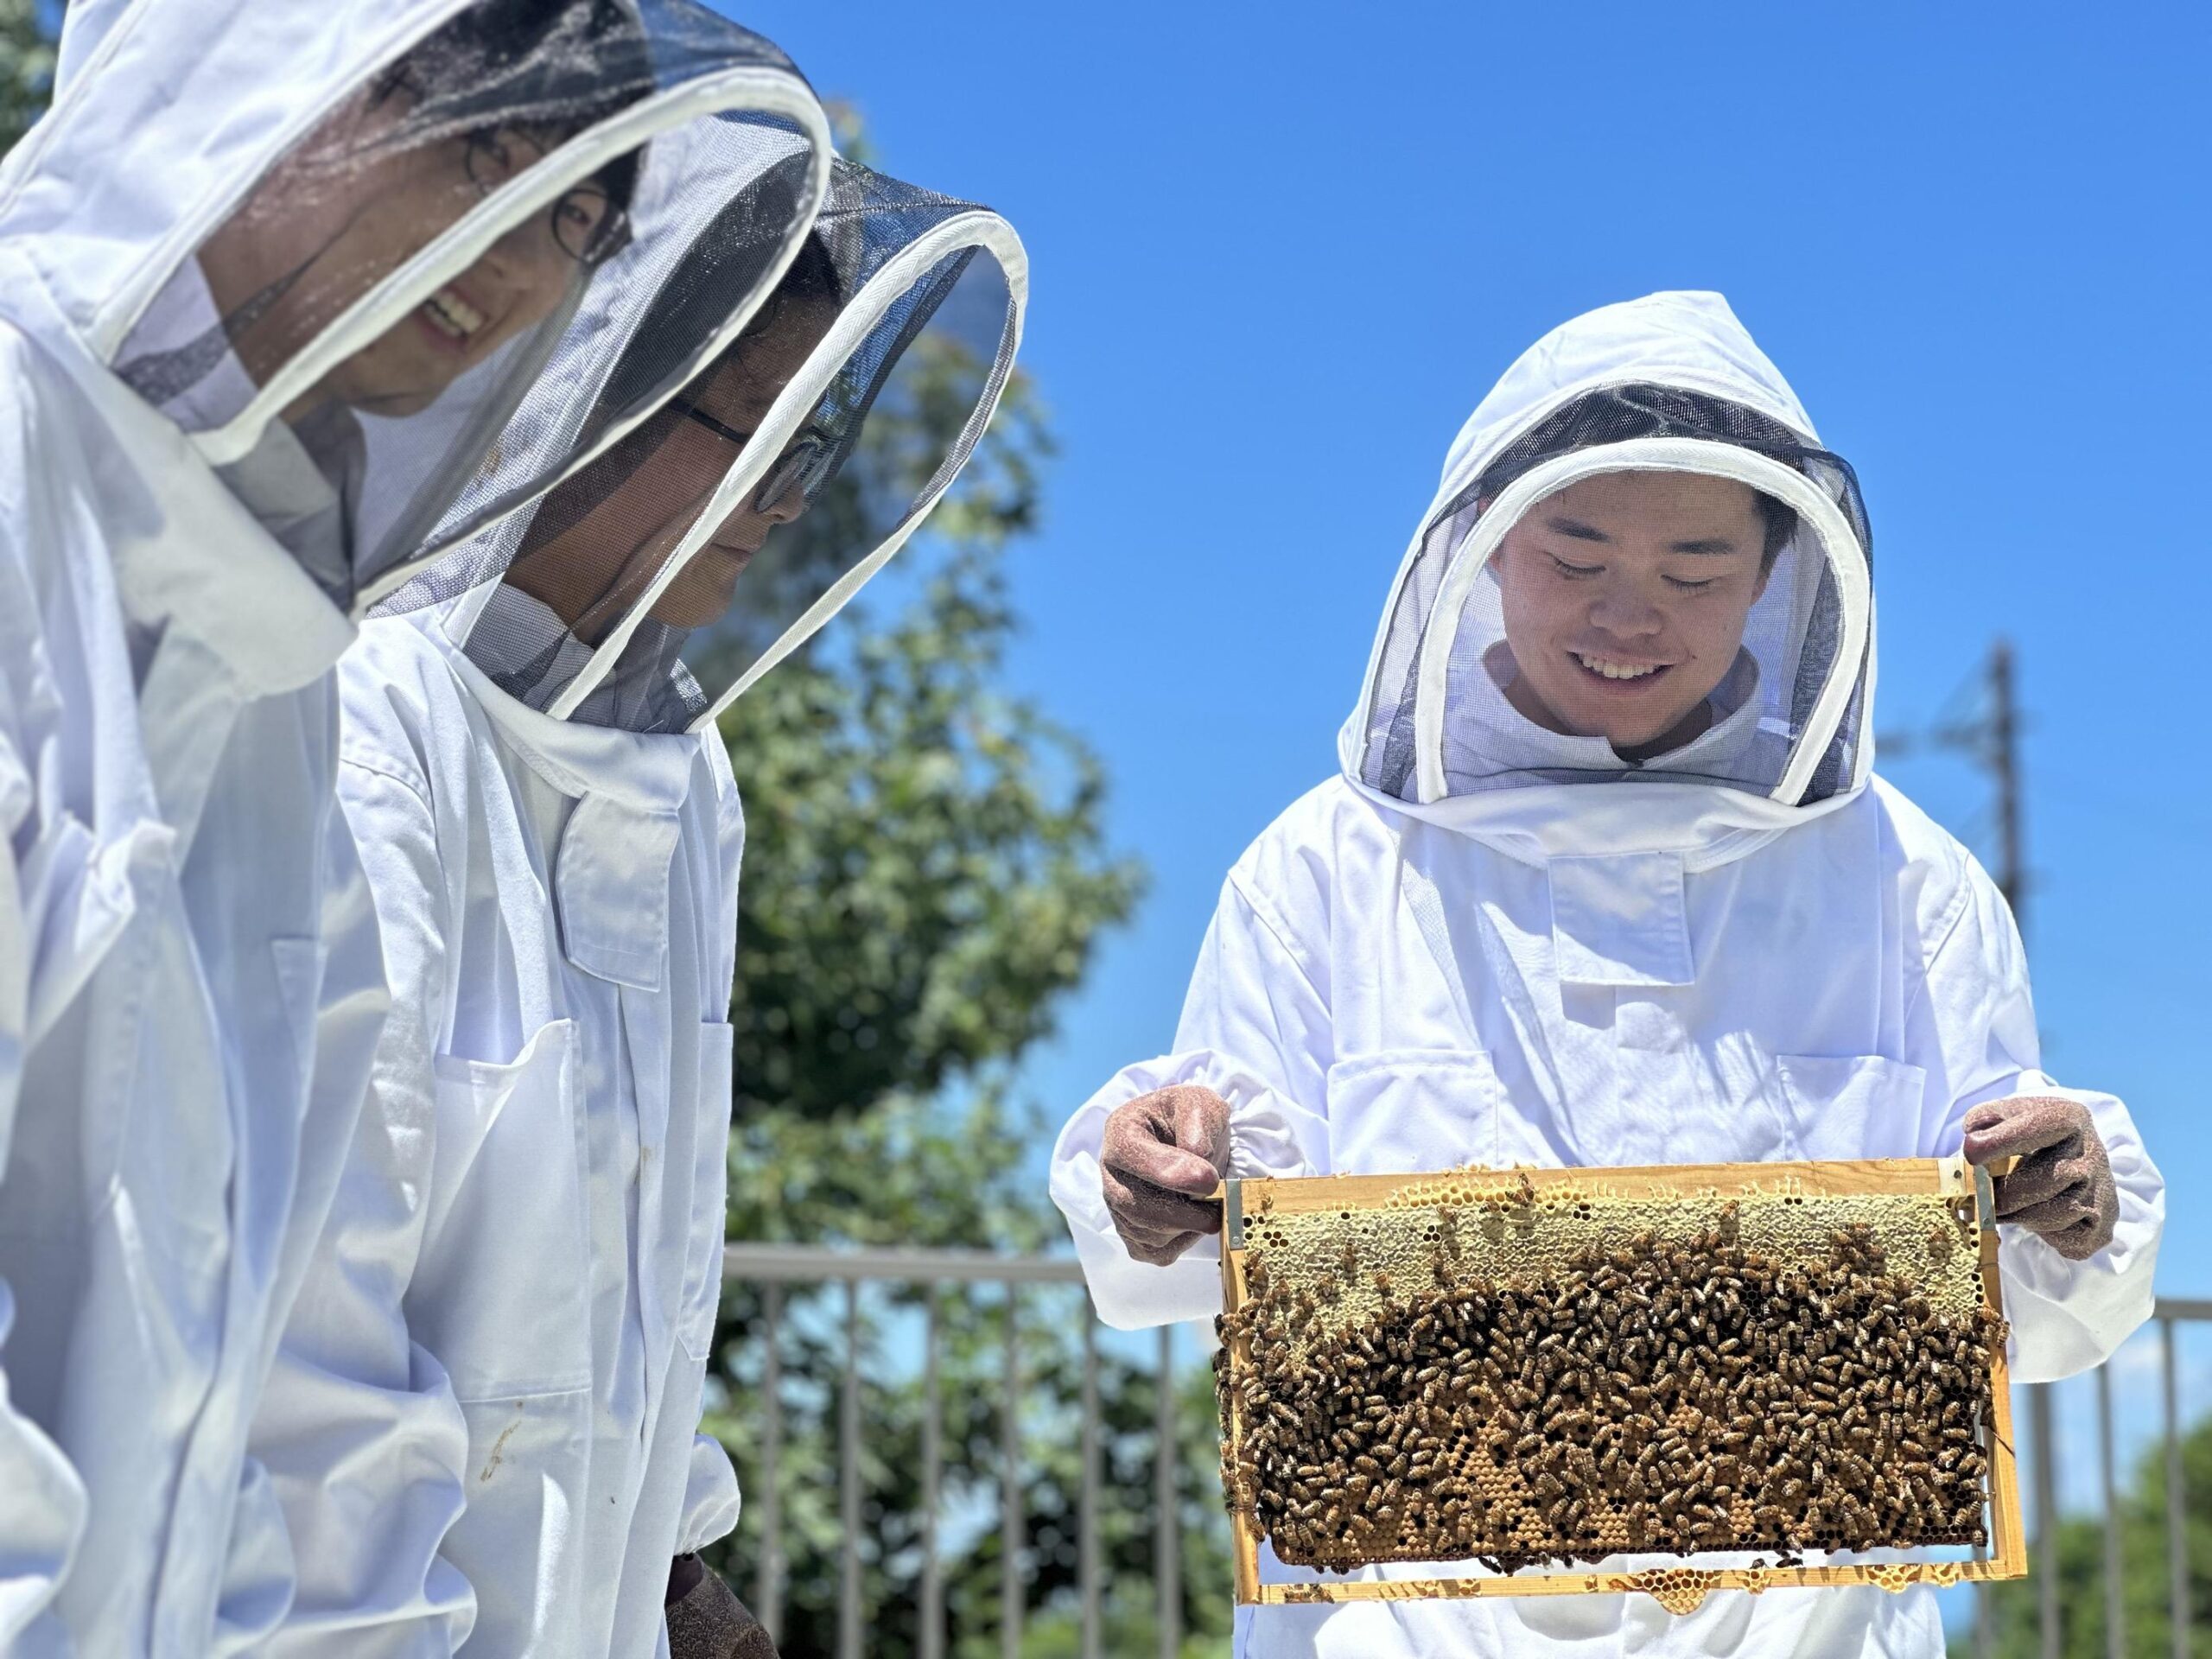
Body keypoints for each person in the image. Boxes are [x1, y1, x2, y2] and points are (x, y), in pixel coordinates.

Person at [1049, 291, 2164, 1656]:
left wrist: (2074, 1200)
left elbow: (2042, 1306)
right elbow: (1184, 1251)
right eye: (1576, 555)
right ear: (1485, 550)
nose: (1630, 615)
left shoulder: (1906, 885)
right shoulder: (1325, 869)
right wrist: (1150, 1180)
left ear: (1774, 577)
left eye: (1695, 570)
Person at [0, 3, 830, 1650]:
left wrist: (666, 1564)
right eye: (479, 143)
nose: (517, 257)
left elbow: (276, 1375)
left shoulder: (274, 668)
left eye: (575, 216)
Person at [247, 159, 1026, 1657]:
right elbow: (302, 1381)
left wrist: (668, 1573)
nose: (796, 490)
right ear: (583, 391)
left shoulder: (685, 783)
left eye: (824, 431)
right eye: (761, 428)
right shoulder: (358, 723)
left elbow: (623, 1285)